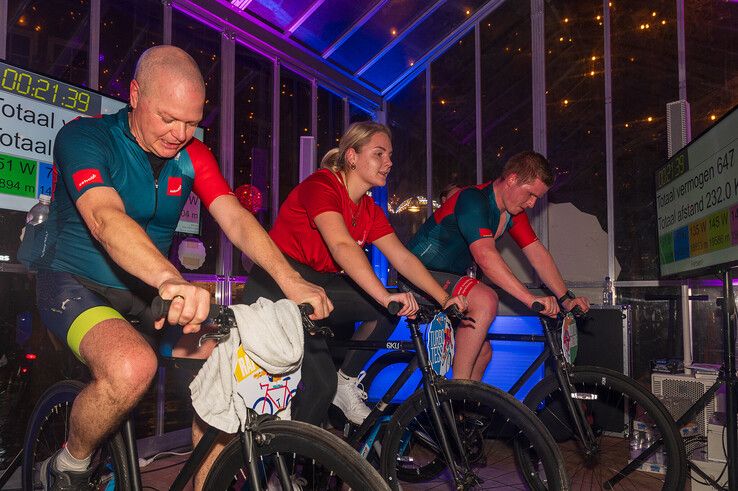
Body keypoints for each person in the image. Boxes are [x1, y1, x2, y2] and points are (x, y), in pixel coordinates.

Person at [20, 45, 331, 491]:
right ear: (135, 94)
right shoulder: (85, 138)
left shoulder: (191, 154)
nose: (180, 133)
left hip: (146, 294)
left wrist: (291, 280)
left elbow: (237, 221)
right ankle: (68, 464)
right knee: (131, 367)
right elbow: (107, 220)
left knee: (227, 367)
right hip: (74, 282)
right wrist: (171, 278)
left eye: (192, 122)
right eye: (168, 118)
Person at [242, 121, 467, 426]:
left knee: (390, 312)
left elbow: (402, 257)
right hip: (278, 283)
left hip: (319, 284)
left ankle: (346, 381)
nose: (389, 162)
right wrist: (385, 294)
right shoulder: (322, 185)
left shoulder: (369, 210)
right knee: (321, 385)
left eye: (389, 155)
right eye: (379, 154)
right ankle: (286, 460)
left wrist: (444, 298)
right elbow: (341, 245)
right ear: (352, 156)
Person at [406, 151, 590, 382]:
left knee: (483, 353)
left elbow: (537, 254)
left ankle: (462, 413)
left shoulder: (511, 211)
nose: (532, 204)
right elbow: (485, 256)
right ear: (512, 179)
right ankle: (455, 393)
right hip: (418, 274)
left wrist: (566, 299)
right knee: (486, 299)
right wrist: (530, 299)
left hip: (448, 280)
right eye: (531, 194)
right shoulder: (473, 199)